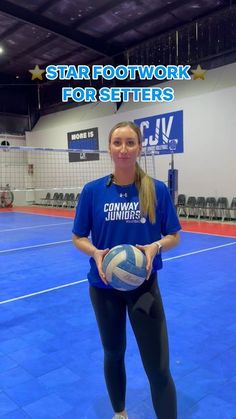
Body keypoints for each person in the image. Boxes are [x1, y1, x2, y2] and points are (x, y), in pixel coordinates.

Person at [72, 121, 181, 419]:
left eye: (130, 142)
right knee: (113, 353)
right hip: (104, 288)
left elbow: (173, 235)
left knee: (158, 368)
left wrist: (155, 247)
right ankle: (119, 413)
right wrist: (94, 252)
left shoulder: (155, 189)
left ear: (139, 148)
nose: (123, 149)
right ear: (109, 148)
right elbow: (78, 236)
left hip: (144, 289)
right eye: (117, 142)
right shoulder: (93, 191)